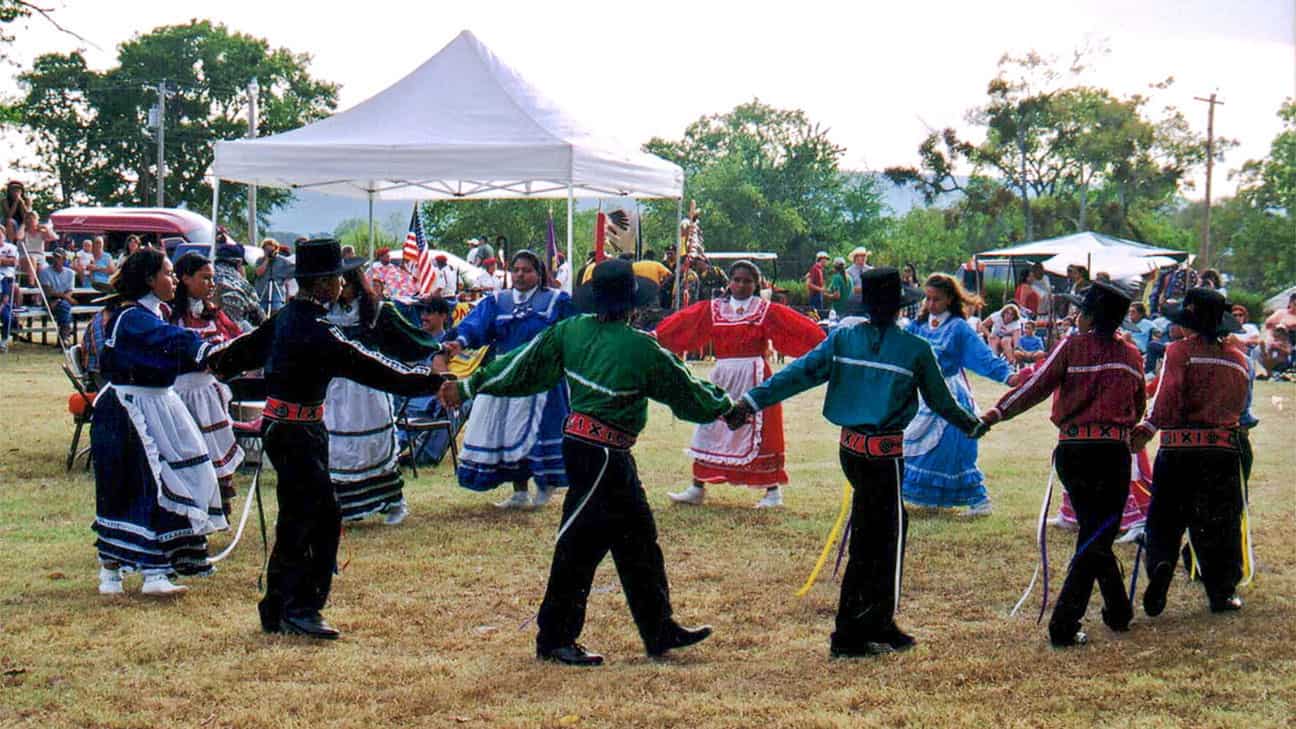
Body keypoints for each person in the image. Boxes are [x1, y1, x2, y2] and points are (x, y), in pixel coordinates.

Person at [439, 258, 734, 666]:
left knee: (639, 541)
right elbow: (687, 392)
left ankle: (659, 628)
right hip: (604, 456)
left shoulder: (569, 331)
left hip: (587, 449)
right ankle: (556, 638)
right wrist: (729, 408)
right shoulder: (640, 348)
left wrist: (471, 384)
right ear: (633, 304)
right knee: (580, 545)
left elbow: (521, 365)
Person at [727, 267, 986, 657]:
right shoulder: (914, 349)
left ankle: (879, 622)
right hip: (883, 456)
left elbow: (799, 374)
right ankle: (851, 634)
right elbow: (939, 400)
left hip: (851, 450)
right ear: (900, 307)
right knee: (878, 541)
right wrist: (972, 424)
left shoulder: (845, 338)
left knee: (876, 534)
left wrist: (751, 401)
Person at [207, 238, 445, 639]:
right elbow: (371, 368)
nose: (340, 284)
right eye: (336, 277)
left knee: (299, 518)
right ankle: (301, 607)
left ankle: (278, 606)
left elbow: (241, 352)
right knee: (318, 518)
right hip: (298, 431)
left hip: (290, 428)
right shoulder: (317, 331)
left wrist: (215, 361)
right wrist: (431, 381)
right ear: (323, 284)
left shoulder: (286, 318)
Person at [979, 281, 1145, 646]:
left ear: (1087, 317)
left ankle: (1110, 612)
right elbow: (1138, 408)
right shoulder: (1132, 356)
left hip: (1075, 451)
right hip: (1113, 453)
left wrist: (996, 413)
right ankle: (1073, 621)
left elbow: (1036, 385)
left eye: (1079, 312)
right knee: (1099, 533)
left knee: (1094, 533)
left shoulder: (1071, 346)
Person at [90, 249, 231, 596]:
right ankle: (133, 573)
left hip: (156, 402)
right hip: (129, 409)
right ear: (150, 279)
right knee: (140, 485)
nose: (172, 280)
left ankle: (159, 566)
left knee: (177, 476)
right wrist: (209, 349)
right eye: (168, 273)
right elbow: (170, 342)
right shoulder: (132, 318)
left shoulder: (153, 312)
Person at [656, 261, 826, 508]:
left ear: (756, 285)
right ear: (729, 282)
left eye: (747, 281)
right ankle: (697, 487)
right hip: (723, 375)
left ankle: (772, 492)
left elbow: (797, 329)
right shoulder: (713, 309)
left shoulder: (765, 310)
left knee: (761, 432)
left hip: (754, 375)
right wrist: (656, 338)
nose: (741, 285)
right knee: (710, 427)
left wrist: (825, 345)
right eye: (736, 279)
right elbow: (684, 325)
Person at [1132, 287, 1250, 617]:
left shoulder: (1179, 351)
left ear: (1188, 324)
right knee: (1219, 524)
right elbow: (1240, 406)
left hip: (1179, 450)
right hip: (1222, 451)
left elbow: (1167, 397)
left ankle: (1162, 563)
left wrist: (1149, 428)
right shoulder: (1239, 360)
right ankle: (1221, 593)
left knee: (1166, 519)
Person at [442, 250, 576, 508]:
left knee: (541, 431)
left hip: (543, 378)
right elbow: (475, 326)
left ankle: (545, 486)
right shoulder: (497, 302)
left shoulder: (556, 301)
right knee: (507, 433)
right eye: (516, 270)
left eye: (527, 270)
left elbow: (573, 332)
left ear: (539, 273)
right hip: (506, 377)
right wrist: (458, 342)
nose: (521, 275)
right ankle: (519, 491)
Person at [323, 261, 442, 525]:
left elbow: (410, 338)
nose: (339, 289)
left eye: (344, 283)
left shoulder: (378, 311)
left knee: (373, 447)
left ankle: (394, 502)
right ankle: (343, 507)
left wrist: (437, 349)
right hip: (336, 391)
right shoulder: (325, 313)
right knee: (338, 449)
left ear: (355, 283)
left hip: (369, 389)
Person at [902, 274, 1014, 515]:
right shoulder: (917, 326)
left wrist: (1009, 376)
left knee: (953, 452)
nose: (931, 305)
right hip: (920, 395)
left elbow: (981, 356)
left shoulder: (958, 328)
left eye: (937, 300)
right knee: (913, 448)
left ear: (950, 299)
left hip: (949, 395)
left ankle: (978, 501)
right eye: (928, 299)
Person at [169, 253, 246, 516]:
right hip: (180, 392)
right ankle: (190, 510)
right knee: (189, 450)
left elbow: (236, 338)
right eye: (205, 278)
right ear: (185, 279)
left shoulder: (213, 313)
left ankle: (217, 509)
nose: (211, 284)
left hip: (209, 393)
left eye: (212, 278)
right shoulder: (170, 315)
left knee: (213, 447)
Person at [213, 243, 264, 332]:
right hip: (232, 334)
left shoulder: (207, 275)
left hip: (208, 329)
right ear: (239, 263)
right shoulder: (242, 283)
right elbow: (259, 315)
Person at [38, 250, 77, 343]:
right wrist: (66, 297)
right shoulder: (44, 272)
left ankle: (64, 336)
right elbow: (48, 291)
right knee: (65, 306)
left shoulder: (70, 273)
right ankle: (65, 335)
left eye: (58, 257)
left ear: (64, 259)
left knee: (63, 306)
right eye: (54, 257)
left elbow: (70, 290)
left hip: (63, 301)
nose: (55, 259)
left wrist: (62, 298)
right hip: (49, 300)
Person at [254, 238, 295, 314]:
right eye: (266, 250)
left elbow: (294, 270)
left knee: (276, 316)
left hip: (276, 295)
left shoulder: (282, 261)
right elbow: (258, 273)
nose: (269, 252)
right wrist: (267, 260)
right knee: (261, 317)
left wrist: (286, 280)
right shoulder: (260, 260)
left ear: (276, 250)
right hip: (261, 294)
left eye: (271, 250)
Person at [0, 231, 17, 349]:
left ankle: (4, 341)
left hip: (7, 280)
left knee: (6, 316)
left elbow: (13, 262)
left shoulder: (11, 247)